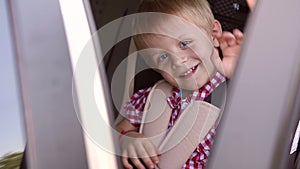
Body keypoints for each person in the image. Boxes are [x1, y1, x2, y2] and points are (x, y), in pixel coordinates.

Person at [115, 0, 243, 168]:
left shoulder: (236, 91)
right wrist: (128, 139)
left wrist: (240, 72)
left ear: (213, 34)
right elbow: (121, 127)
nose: (178, 61)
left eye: (184, 43)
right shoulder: (154, 95)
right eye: (162, 57)